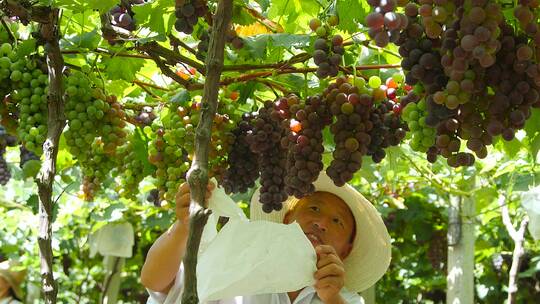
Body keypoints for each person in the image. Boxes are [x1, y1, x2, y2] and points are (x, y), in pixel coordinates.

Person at [141, 173, 391, 304]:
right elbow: (155, 281)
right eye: (313, 208)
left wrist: (331, 299)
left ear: (346, 251)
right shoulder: (237, 259)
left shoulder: (343, 299)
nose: (321, 222)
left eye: (338, 222)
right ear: (287, 219)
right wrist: (183, 227)